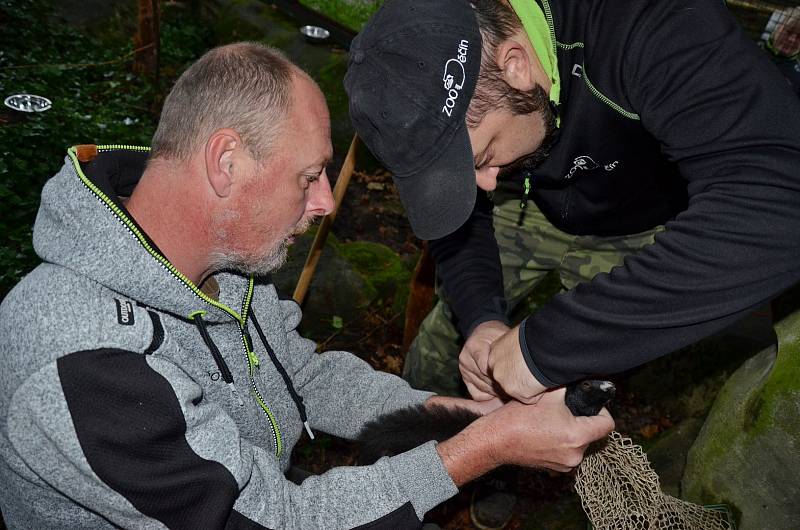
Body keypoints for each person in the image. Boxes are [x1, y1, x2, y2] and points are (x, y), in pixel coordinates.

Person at [0, 42, 613, 529]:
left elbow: (306, 379)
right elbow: (274, 520)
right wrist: (485, 447)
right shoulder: (88, 365)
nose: (325, 202)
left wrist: (460, 413)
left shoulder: (212, 266)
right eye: (310, 175)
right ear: (226, 163)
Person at [344, 0, 800, 404]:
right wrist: (482, 318)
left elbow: (781, 200)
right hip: (527, 208)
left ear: (516, 66)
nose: (483, 185)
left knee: (583, 375)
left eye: (482, 158)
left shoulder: (651, 20)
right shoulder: (468, 71)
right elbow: (463, 215)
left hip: (640, 227)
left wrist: (549, 347)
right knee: (451, 339)